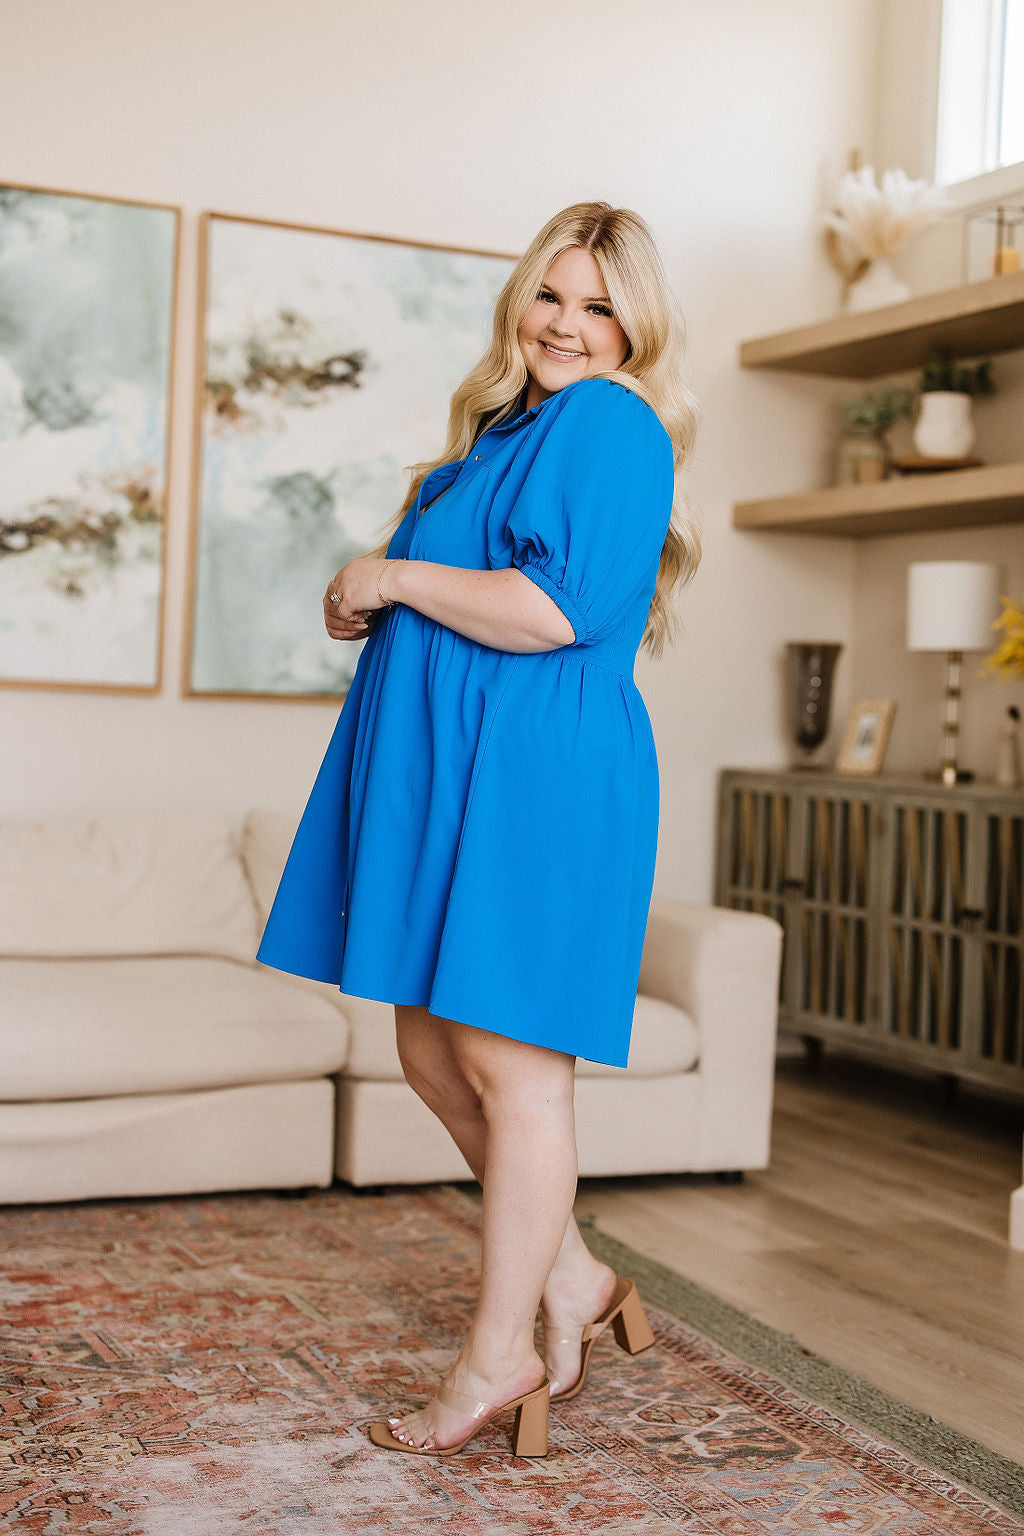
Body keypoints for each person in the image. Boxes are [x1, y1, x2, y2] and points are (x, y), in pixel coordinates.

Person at [256, 200, 701, 1458]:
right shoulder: (503, 432)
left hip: (536, 781)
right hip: (451, 775)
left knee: (514, 1073)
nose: (566, 324)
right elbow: (458, 591)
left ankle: (498, 1358)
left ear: (634, 329)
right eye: (550, 294)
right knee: (433, 1059)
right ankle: (572, 1282)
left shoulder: (610, 422)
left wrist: (393, 575)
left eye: (598, 307)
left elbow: (554, 610)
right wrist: (371, 598)